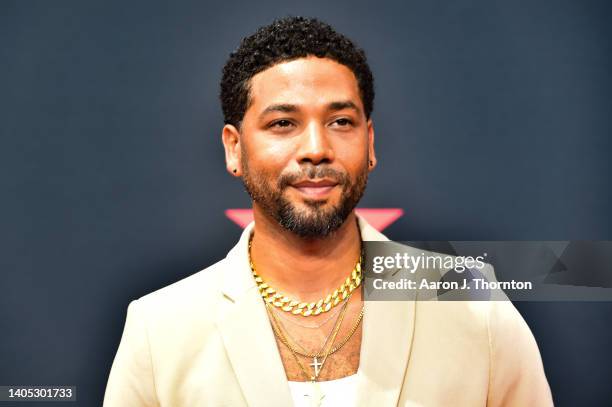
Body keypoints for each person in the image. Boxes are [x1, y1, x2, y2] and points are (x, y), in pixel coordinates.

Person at [103, 16, 553, 406]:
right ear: (234, 147)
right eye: (283, 123)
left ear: (370, 142)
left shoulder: (474, 305)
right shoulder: (160, 330)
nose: (316, 149)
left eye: (341, 122)